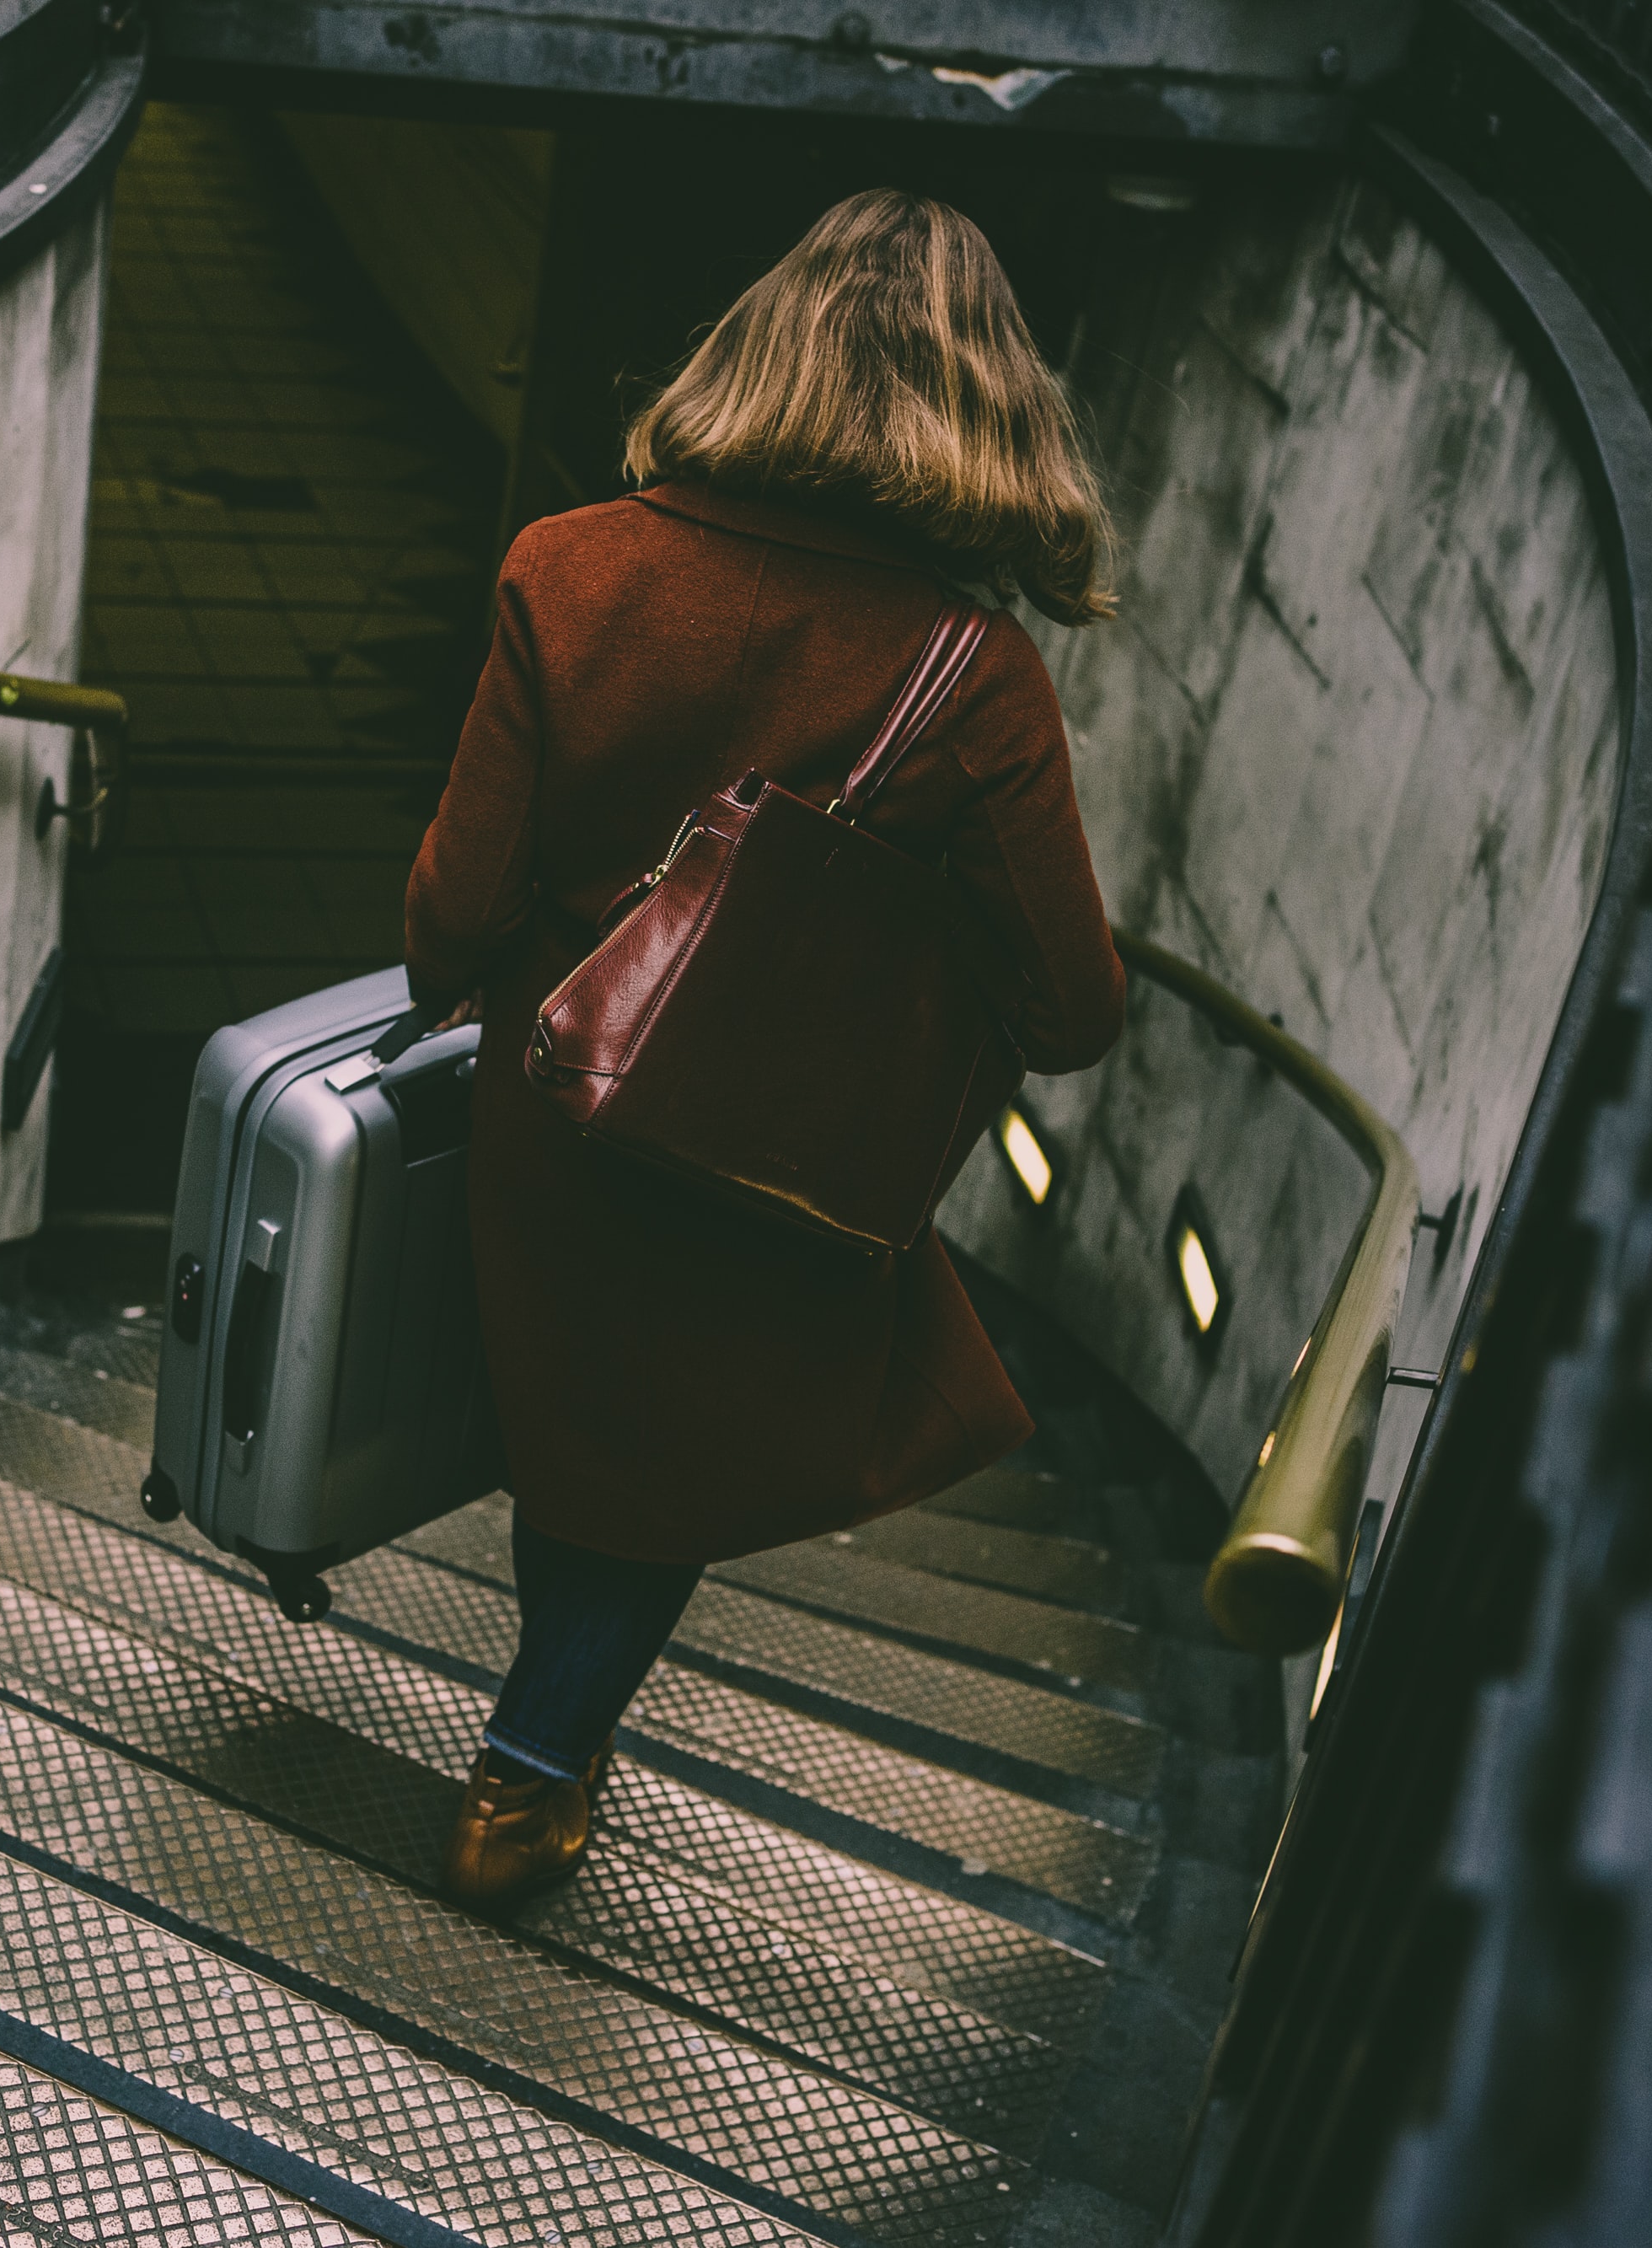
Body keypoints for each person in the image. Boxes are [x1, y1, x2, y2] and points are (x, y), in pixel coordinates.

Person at [404, 188, 1130, 1906]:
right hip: (764, 1156)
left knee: (586, 1450)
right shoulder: (981, 678)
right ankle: (521, 1785)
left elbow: (452, 908)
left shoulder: (567, 565)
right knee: (647, 1486)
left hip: (551, 1112)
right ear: (986, 410)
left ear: (756, 353)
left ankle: (540, 1749)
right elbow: (1070, 1010)